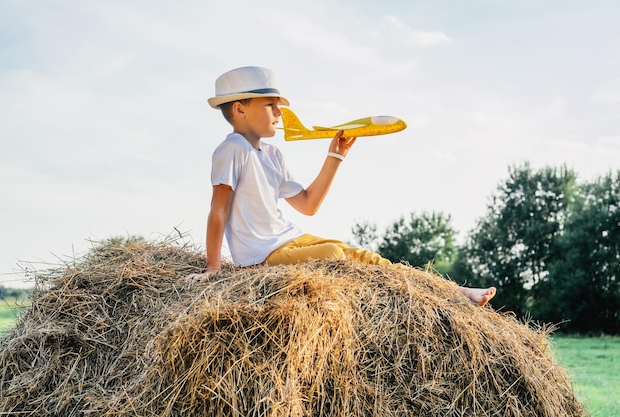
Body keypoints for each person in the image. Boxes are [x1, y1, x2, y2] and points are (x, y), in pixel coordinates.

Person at [187, 66, 496, 307]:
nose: (280, 113)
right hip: (260, 256)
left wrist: (335, 156)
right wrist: (213, 267)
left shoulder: (272, 154)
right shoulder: (232, 150)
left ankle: (454, 292)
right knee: (335, 253)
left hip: (290, 239)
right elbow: (219, 210)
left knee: (364, 256)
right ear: (240, 109)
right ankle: (448, 293)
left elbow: (308, 205)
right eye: (271, 105)